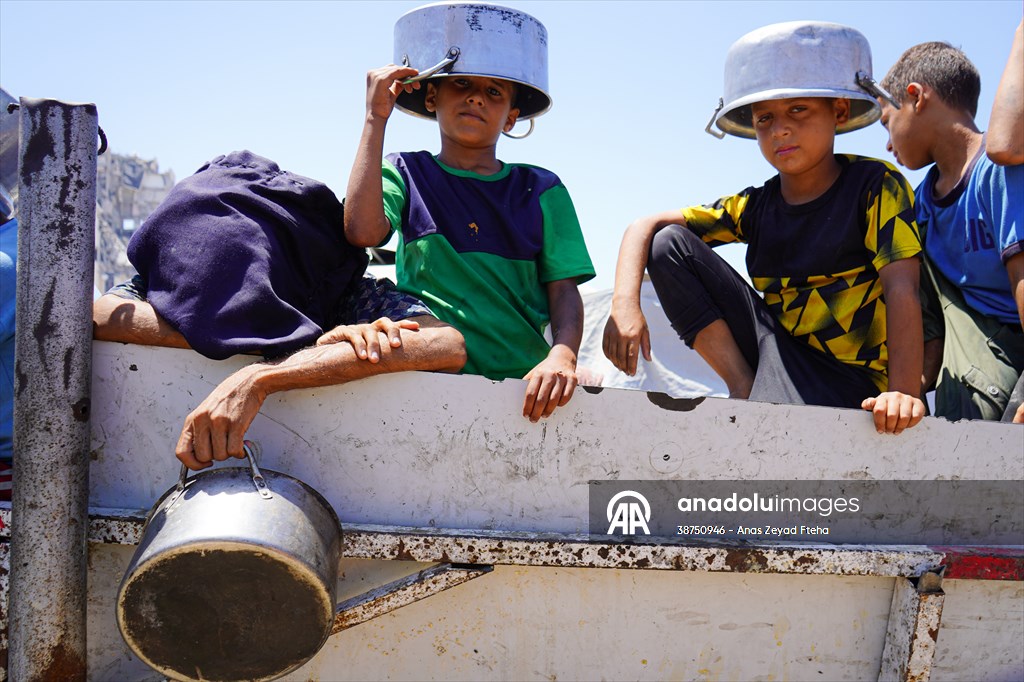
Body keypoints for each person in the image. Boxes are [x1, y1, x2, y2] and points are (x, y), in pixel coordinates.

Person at [602, 21, 926, 435]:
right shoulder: (754, 207)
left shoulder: (875, 186)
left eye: (798, 110)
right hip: (780, 366)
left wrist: (902, 394)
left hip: (856, 385)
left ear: (838, 111)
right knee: (668, 244)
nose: (780, 130)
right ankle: (742, 388)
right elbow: (644, 225)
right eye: (764, 119)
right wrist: (625, 303)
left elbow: (903, 289)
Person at [94, 151, 467, 471]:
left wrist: (262, 378)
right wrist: (303, 345)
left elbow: (444, 344)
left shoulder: (345, 294)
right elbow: (101, 316)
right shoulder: (167, 283)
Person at [343, 6, 595, 424]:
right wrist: (375, 119)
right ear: (430, 96)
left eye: (495, 92)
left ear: (512, 117)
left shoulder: (541, 189)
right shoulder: (405, 172)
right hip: (428, 383)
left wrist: (563, 356)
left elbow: (564, 291)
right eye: (460, 83)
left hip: (524, 392)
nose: (476, 97)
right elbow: (361, 232)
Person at [879, 39, 1024, 423]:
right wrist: (908, 391)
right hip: (969, 363)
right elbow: (934, 312)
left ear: (915, 97)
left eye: (887, 122)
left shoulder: (998, 171)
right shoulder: (920, 204)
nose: (888, 142)